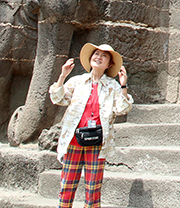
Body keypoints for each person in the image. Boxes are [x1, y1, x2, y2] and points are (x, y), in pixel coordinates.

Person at [50, 43, 131, 208]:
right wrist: (62, 76)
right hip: (74, 140)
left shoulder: (112, 86)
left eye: (104, 55)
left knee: (93, 189)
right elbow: (58, 98)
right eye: (96, 53)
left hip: (97, 143)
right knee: (67, 185)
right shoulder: (78, 81)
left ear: (109, 64)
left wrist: (123, 85)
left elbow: (122, 108)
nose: (99, 57)